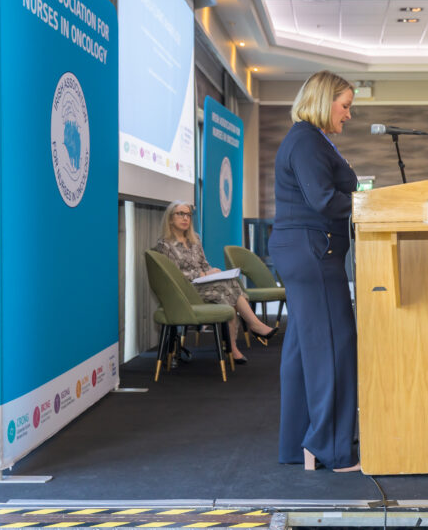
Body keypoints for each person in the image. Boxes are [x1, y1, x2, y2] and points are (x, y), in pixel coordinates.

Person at [268, 70, 360, 473]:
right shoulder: (306, 140)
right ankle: (332, 449)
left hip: (305, 249)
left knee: (304, 349)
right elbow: (323, 199)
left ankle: (300, 444)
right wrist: (368, 205)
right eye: (346, 106)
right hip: (313, 252)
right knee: (334, 347)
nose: (349, 115)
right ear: (325, 101)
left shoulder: (308, 138)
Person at [154, 201, 277, 365]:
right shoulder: (164, 245)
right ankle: (250, 329)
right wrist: (204, 274)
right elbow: (174, 275)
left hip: (202, 286)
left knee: (229, 284)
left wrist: (213, 271)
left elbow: (204, 264)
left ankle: (237, 342)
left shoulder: (194, 239)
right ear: (170, 219)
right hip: (184, 292)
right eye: (180, 214)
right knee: (226, 288)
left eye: (188, 214)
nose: (185, 218)